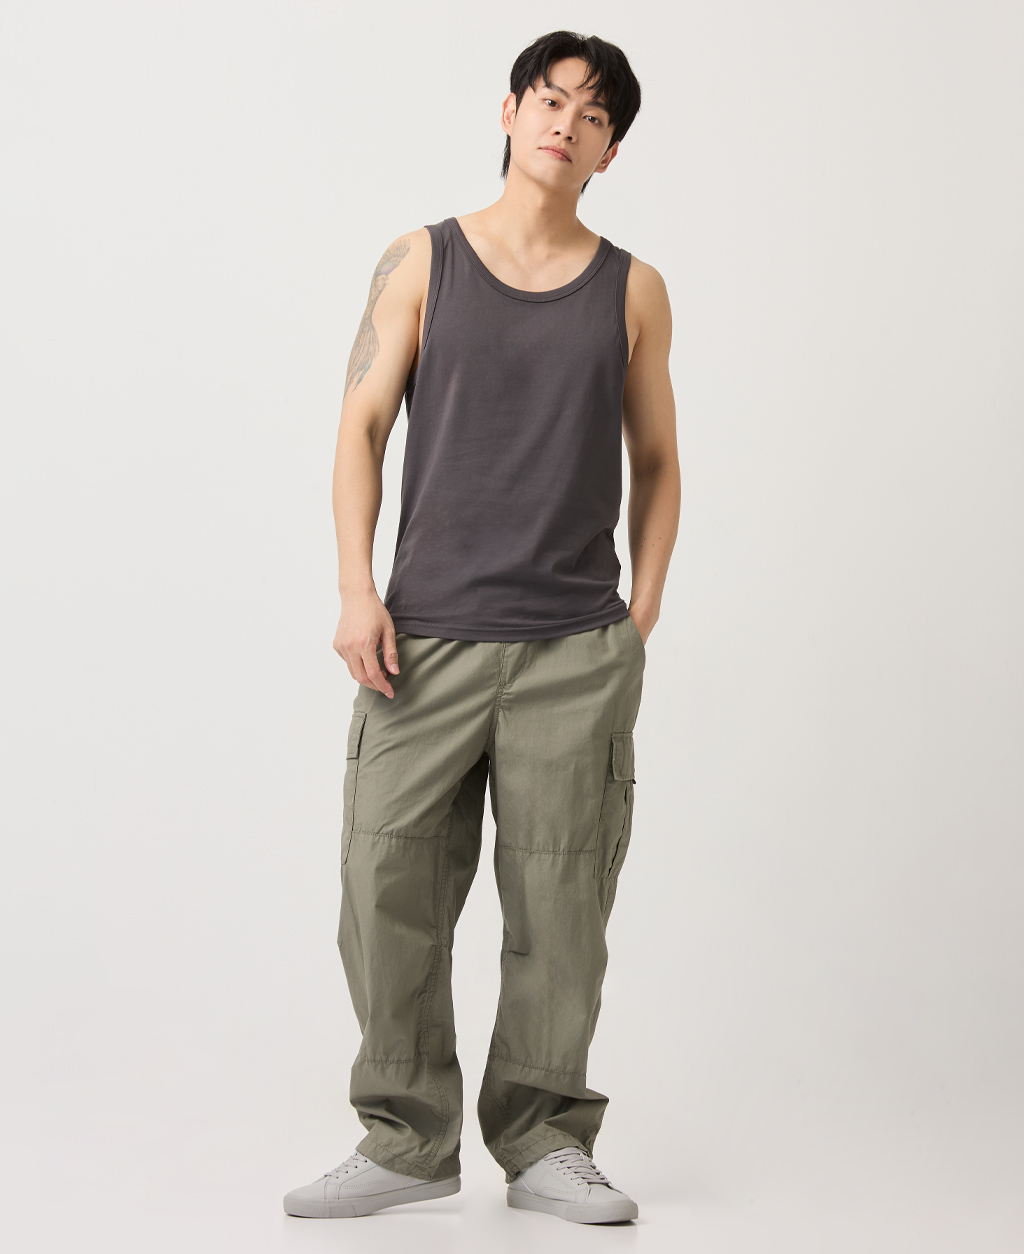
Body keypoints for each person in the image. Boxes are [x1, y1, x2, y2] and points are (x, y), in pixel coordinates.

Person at [284, 29, 679, 1226]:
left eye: (593, 116)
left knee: (561, 909)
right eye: (550, 100)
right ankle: (405, 1140)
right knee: (384, 883)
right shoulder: (423, 259)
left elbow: (658, 460)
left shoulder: (633, 290)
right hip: (422, 642)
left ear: (609, 152)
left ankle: (545, 1140)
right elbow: (359, 427)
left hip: (573, 650)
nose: (567, 124)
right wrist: (356, 589)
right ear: (509, 113)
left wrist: (638, 618)